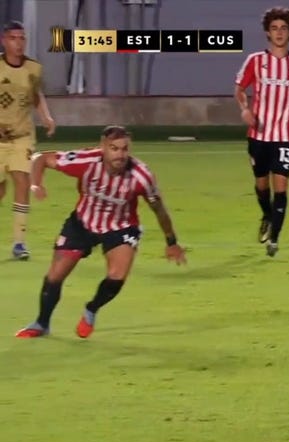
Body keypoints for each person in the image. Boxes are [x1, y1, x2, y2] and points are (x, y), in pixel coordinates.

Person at [15, 126, 186, 339]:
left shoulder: (141, 175)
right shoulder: (86, 161)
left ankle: (91, 309)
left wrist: (171, 241)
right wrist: (36, 185)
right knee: (55, 275)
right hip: (82, 223)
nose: (120, 155)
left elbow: (158, 209)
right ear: (103, 147)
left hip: (120, 226)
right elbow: (40, 158)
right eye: (114, 149)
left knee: (117, 276)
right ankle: (42, 323)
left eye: (124, 149)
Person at [234, 6, 289, 257]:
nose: (279, 32)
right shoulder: (255, 61)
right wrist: (244, 109)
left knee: (281, 187)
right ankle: (266, 214)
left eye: (284, 28)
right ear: (267, 32)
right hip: (258, 135)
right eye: (274, 28)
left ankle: (274, 239)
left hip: (285, 136)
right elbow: (240, 89)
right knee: (261, 185)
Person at [0, 20, 56, 260]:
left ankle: (19, 243)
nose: (18, 43)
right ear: (4, 41)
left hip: (22, 136)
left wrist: (46, 116)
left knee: (22, 182)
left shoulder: (33, 68)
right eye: (13, 38)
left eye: (22, 38)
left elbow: (36, 95)